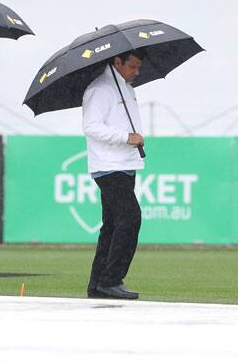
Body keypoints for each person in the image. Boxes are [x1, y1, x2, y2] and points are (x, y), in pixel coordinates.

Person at [82, 50, 145, 300]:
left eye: (139, 67)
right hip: (109, 165)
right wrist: (126, 137)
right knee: (130, 218)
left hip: (125, 164)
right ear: (117, 62)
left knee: (111, 226)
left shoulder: (126, 88)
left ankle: (97, 284)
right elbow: (91, 126)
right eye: (132, 66)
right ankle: (111, 280)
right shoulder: (101, 88)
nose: (136, 72)